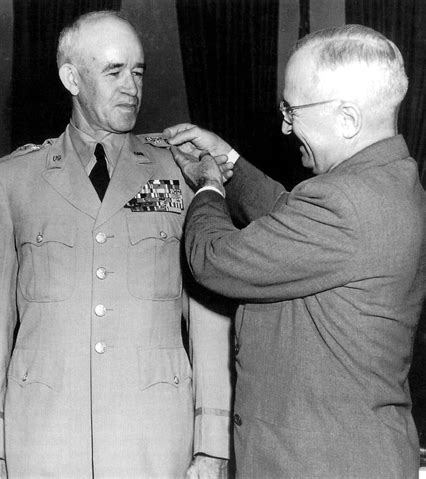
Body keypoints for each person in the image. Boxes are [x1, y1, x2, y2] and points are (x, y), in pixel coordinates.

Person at [0, 11, 232, 479]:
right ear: (72, 77)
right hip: (43, 442)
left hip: (153, 442)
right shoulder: (12, 181)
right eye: (114, 71)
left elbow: (209, 319)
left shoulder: (180, 174)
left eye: (138, 71)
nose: (132, 85)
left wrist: (211, 446)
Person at [165, 24, 425, 478]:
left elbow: (214, 258)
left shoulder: (344, 203)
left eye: (293, 110)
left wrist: (208, 186)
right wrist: (229, 162)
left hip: (319, 463)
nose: (285, 126)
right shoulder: (389, 182)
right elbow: (292, 217)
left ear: (347, 119)